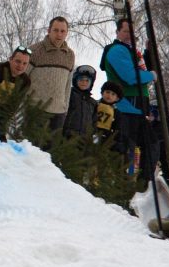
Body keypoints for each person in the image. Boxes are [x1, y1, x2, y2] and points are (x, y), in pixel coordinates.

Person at [99, 18, 157, 175]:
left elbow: (140, 70)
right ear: (118, 32)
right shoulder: (117, 50)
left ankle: (143, 184)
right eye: (125, 31)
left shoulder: (130, 52)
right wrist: (151, 75)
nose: (129, 35)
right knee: (126, 148)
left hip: (137, 107)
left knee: (150, 145)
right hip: (127, 107)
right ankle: (123, 186)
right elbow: (130, 76)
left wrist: (148, 54)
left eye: (132, 32)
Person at [28, 17, 75, 131]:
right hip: (35, 110)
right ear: (49, 31)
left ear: (66, 33)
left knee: (51, 149)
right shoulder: (34, 50)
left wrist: (65, 108)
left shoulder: (70, 55)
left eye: (62, 31)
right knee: (31, 148)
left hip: (58, 114)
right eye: (56, 30)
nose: (59, 34)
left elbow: (68, 85)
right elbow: (22, 78)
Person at [96, 80, 130, 165]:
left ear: (117, 98)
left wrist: (117, 144)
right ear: (102, 92)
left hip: (107, 142)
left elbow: (118, 130)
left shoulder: (117, 113)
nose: (109, 95)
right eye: (107, 92)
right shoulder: (94, 105)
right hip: (93, 136)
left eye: (113, 94)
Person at [63, 65, 98, 139]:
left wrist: (91, 134)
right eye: (81, 79)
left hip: (84, 140)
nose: (84, 82)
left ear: (91, 83)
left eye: (87, 80)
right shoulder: (69, 94)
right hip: (67, 136)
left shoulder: (93, 103)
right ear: (75, 80)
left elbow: (94, 122)